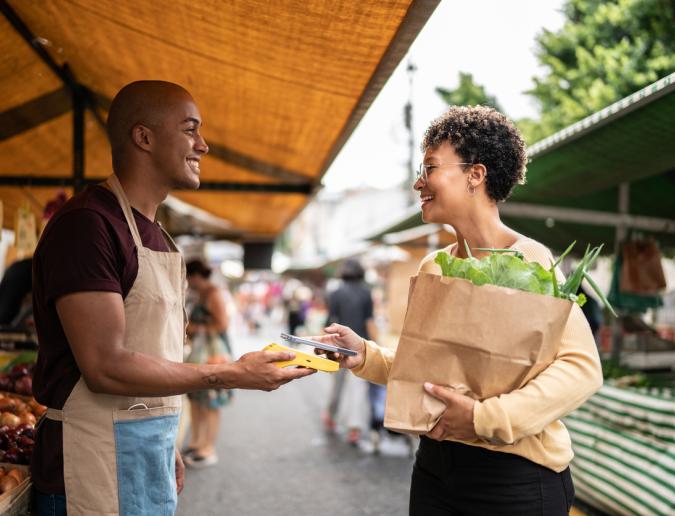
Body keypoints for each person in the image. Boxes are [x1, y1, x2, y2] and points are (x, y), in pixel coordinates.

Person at [31, 81, 314, 516]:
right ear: (143, 137)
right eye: (190, 129)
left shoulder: (157, 234)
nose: (203, 144)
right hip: (89, 468)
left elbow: (150, 352)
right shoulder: (88, 225)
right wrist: (230, 374)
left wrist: (165, 439)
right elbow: (105, 366)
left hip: (149, 450)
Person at [311, 106, 603, 515]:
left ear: (475, 174)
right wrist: (366, 356)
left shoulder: (532, 261)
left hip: (515, 476)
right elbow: (428, 372)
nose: (419, 182)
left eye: (430, 167)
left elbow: (581, 369)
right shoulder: (433, 267)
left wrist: (487, 418)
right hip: (435, 469)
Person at [184, 259, 233, 468]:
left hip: (214, 353)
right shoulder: (200, 294)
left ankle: (208, 447)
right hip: (199, 353)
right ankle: (197, 442)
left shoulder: (213, 294)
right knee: (196, 399)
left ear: (196, 276)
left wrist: (196, 328)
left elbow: (223, 324)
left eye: (189, 277)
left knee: (211, 402)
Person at [321, 259, 376, 444]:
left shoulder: (335, 292)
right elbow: (370, 322)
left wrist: (323, 344)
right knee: (358, 389)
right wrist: (375, 345)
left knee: (336, 386)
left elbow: (329, 321)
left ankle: (330, 416)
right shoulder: (366, 292)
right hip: (360, 346)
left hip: (339, 346)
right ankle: (354, 429)